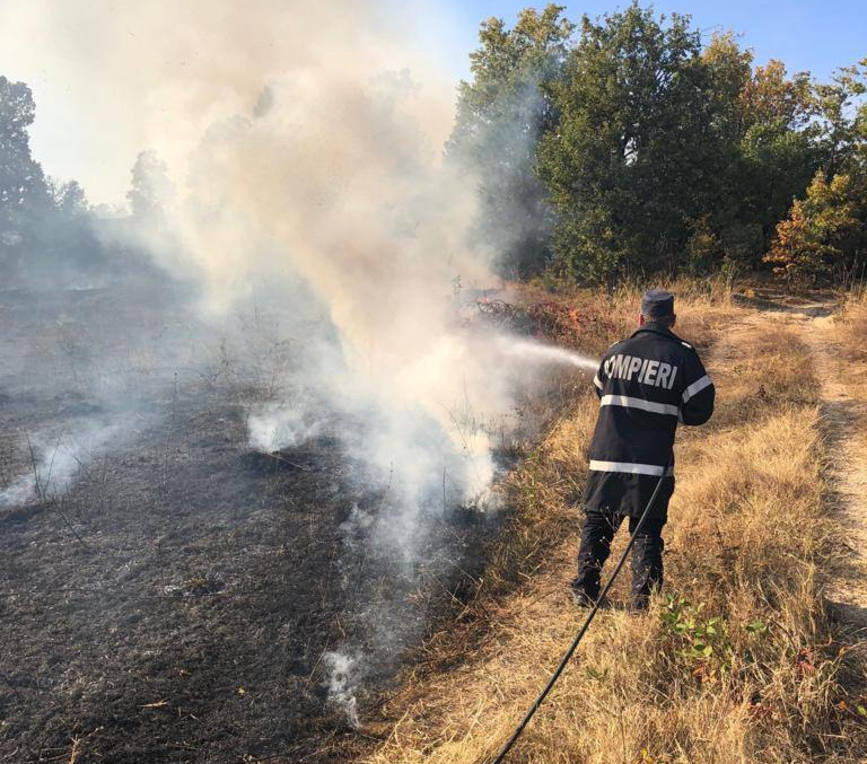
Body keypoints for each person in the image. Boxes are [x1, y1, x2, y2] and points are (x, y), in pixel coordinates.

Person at [571, 289, 715, 611]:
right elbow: (701, 408)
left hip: (606, 460)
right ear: (672, 320)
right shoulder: (682, 356)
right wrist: (672, 410)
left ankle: (584, 590)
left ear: (640, 318)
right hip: (651, 466)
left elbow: (600, 390)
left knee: (597, 523)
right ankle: (642, 603)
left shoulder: (615, 351)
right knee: (646, 532)